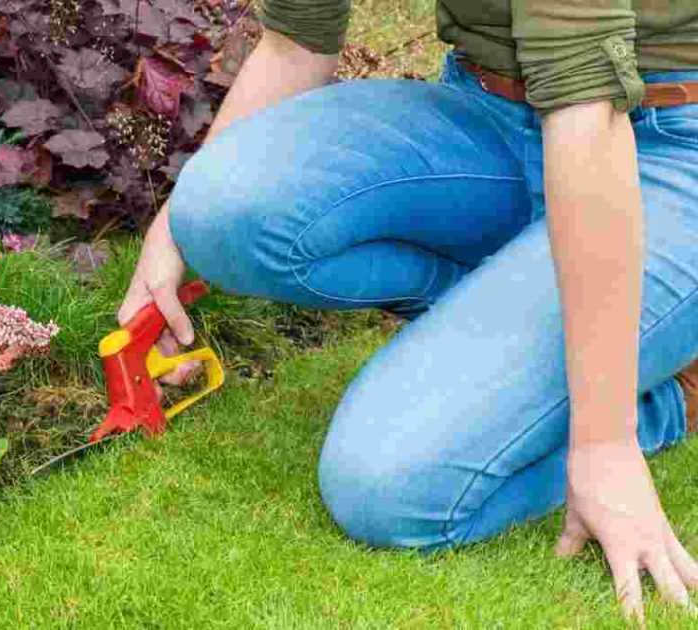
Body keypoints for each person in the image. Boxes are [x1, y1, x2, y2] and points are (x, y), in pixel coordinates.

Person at [120, 0, 698, 619]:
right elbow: (295, 42)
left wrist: (605, 444)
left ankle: (673, 396)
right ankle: (531, 318)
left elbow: (585, 114)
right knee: (219, 211)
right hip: (489, 113)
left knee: (388, 487)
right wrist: (170, 229)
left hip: (654, 141)